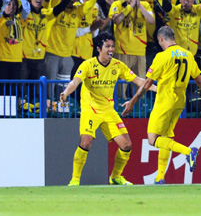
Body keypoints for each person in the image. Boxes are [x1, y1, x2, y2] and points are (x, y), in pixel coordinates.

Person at [122, 26, 201, 184]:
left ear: (161, 39)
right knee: (165, 137)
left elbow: (147, 83)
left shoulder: (162, 56)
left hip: (164, 101)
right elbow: (200, 80)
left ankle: (188, 151)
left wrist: (132, 102)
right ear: (173, 37)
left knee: (152, 139)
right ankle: (160, 177)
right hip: (179, 102)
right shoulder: (188, 55)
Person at [60, 33, 154, 186]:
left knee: (126, 145)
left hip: (109, 111)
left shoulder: (118, 65)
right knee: (86, 142)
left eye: (112, 46)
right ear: (99, 49)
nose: (111, 49)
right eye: (107, 46)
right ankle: (75, 180)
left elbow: (139, 81)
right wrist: (65, 92)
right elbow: (75, 82)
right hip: (90, 109)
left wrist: (158, 89)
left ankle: (116, 177)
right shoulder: (88, 65)